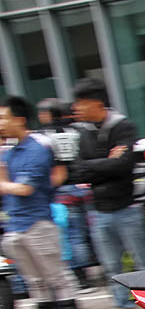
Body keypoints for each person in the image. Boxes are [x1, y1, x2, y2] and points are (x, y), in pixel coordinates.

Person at [71, 78, 145, 309]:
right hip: (98, 210)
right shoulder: (83, 132)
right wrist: (105, 163)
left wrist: (95, 167)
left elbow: (124, 165)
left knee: (144, 263)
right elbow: (77, 169)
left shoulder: (123, 126)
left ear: (97, 103)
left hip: (127, 208)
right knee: (111, 267)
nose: (77, 109)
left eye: (81, 103)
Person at [0, 96, 83, 309]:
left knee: (56, 276)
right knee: (33, 280)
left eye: (3, 118)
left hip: (38, 223)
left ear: (19, 119)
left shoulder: (36, 148)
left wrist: (4, 183)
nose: (0, 124)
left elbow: (25, 188)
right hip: (14, 225)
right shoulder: (11, 151)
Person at [37, 99, 96, 291]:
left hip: (63, 189)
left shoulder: (43, 136)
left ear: (48, 115)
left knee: (73, 235)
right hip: (85, 186)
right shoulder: (79, 131)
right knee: (92, 231)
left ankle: (82, 277)